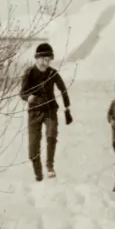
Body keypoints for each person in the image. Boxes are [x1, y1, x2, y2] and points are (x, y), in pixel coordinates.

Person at [20, 43, 72, 181]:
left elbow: (63, 89)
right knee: (33, 148)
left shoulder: (52, 73)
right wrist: (29, 98)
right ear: (36, 59)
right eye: (43, 59)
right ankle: (38, 174)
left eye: (48, 60)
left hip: (50, 110)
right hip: (34, 112)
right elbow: (22, 92)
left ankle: (49, 165)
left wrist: (67, 109)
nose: (46, 63)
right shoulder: (29, 73)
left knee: (51, 135)